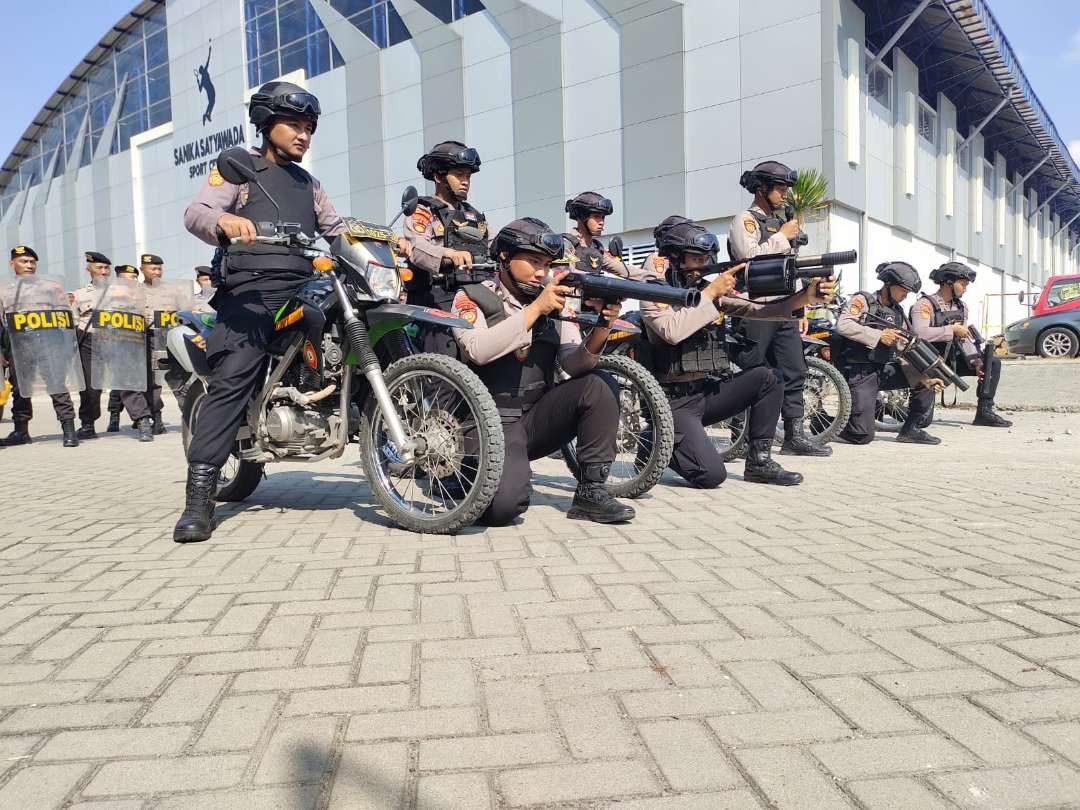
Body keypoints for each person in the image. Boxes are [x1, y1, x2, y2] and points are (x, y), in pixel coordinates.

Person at [174, 81, 345, 543]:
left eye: (310, 128)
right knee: (235, 377)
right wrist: (223, 221)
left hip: (302, 285)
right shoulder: (238, 168)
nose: (304, 135)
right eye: (295, 125)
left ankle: (317, 384)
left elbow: (337, 229)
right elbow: (198, 212)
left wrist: (377, 245)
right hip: (250, 292)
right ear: (267, 125)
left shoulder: (310, 185)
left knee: (350, 317)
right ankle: (199, 499)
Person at [449, 217, 634, 526]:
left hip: (536, 419)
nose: (541, 273)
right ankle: (473, 472)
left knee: (599, 384)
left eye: (546, 264)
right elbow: (477, 350)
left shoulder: (553, 302)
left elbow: (574, 365)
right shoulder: (471, 297)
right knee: (503, 510)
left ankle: (591, 492)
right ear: (505, 257)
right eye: (533, 261)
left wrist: (603, 326)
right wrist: (534, 311)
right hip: (489, 424)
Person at [639, 220, 833, 489]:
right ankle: (652, 440)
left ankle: (759, 462)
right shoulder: (653, 289)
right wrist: (711, 293)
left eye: (707, 258)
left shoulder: (706, 290)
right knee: (711, 476)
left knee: (769, 378)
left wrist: (806, 298)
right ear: (674, 258)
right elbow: (671, 331)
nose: (703, 264)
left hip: (705, 393)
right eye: (696, 258)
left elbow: (759, 310)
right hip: (672, 402)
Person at [727, 161, 829, 458]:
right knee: (752, 371)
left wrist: (801, 312)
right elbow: (749, 257)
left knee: (793, 371)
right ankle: (743, 437)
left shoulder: (780, 223)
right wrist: (783, 236)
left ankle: (794, 434)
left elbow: (790, 269)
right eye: (780, 188)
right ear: (762, 189)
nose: (784, 195)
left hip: (784, 309)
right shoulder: (745, 220)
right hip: (754, 308)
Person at [834, 261, 944, 445]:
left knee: (928, 376)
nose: (904, 295)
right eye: (903, 290)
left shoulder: (898, 313)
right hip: (860, 372)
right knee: (862, 435)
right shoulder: (863, 300)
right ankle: (823, 424)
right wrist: (879, 335)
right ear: (889, 284)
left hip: (884, 369)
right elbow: (843, 325)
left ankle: (911, 429)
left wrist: (922, 378)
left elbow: (903, 348)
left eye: (907, 292)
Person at [910, 261, 1011, 428]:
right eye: (962, 284)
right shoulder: (925, 304)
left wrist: (976, 362)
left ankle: (984, 412)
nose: (965, 288)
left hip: (952, 359)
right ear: (948, 282)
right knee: (922, 422)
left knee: (991, 362)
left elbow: (964, 338)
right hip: (928, 362)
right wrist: (951, 329)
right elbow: (919, 333)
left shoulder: (961, 307)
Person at [0, 245, 79, 447]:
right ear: (12, 264)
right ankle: (21, 430)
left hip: (49, 343)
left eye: (32, 262)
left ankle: (68, 429)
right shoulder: (4, 290)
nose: (29, 265)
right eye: (23, 261)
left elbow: (65, 316)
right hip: (19, 345)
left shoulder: (50, 287)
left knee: (56, 384)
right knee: (20, 389)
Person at [70, 253, 154, 441]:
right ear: (88, 269)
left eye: (107, 268)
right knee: (90, 386)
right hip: (90, 342)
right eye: (99, 267)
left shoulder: (122, 291)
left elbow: (139, 314)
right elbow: (73, 321)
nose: (104, 271)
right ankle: (88, 425)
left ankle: (143, 421)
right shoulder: (79, 294)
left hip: (116, 339)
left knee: (126, 381)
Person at [404, 141, 488, 310]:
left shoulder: (474, 216)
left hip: (475, 294)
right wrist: (447, 254)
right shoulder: (423, 211)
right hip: (434, 300)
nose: (465, 182)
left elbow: (496, 245)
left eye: (468, 176)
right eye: (459, 175)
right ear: (439, 177)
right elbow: (415, 247)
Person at [562, 192, 630, 278]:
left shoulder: (597, 248)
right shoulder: (566, 244)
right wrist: (597, 280)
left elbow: (625, 271)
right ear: (582, 217)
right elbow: (565, 274)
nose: (601, 222)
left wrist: (651, 277)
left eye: (603, 217)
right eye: (596, 216)